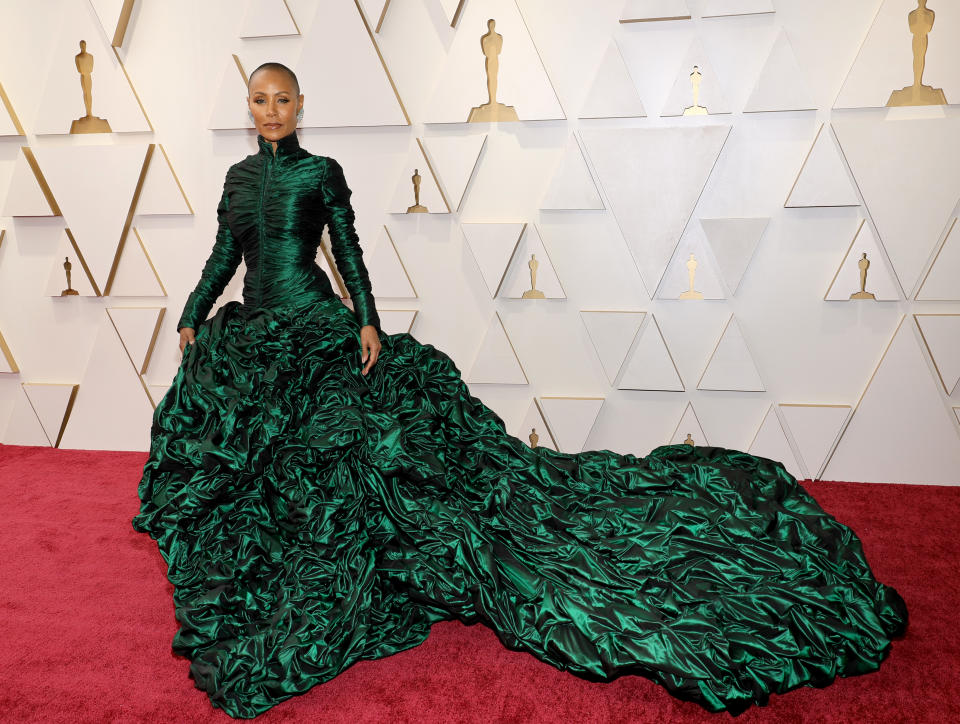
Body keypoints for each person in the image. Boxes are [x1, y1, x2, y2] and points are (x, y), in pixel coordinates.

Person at [132, 62, 907, 719]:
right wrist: (195, 316)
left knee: (358, 450)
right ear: (250, 109)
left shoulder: (320, 173)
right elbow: (222, 257)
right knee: (239, 447)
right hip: (257, 336)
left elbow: (349, 253)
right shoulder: (237, 180)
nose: (270, 111)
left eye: (282, 99)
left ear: (300, 108)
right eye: (259, 100)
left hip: (318, 329)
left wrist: (368, 322)